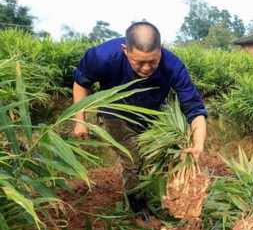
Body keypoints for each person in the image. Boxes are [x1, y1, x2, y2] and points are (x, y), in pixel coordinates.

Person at [71, 21, 207, 216]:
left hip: (150, 115)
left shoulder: (173, 66)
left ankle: (162, 194)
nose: (146, 68)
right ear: (125, 50)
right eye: (139, 62)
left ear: (160, 50)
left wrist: (198, 144)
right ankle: (138, 209)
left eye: (152, 61)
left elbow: (194, 109)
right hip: (114, 112)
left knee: (157, 156)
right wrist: (79, 121)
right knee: (133, 159)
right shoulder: (103, 56)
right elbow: (81, 83)